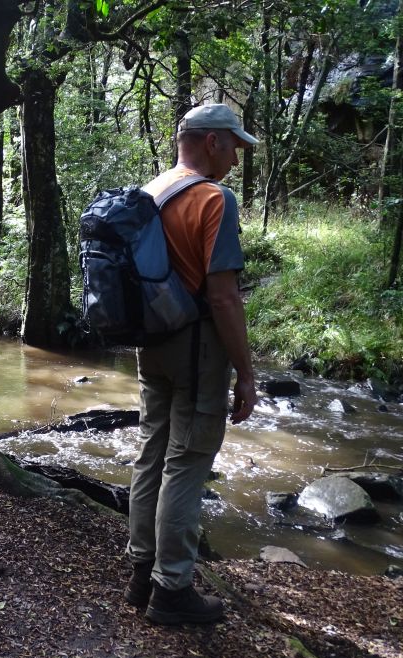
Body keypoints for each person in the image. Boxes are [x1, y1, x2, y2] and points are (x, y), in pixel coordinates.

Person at [124, 103, 260, 625]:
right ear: (211, 142)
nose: (236, 156)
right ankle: (172, 589)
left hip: (151, 342)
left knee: (151, 452)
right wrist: (246, 373)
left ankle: (142, 572)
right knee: (188, 460)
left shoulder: (151, 191)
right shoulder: (213, 199)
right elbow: (223, 298)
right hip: (197, 346)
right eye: (234, 145)